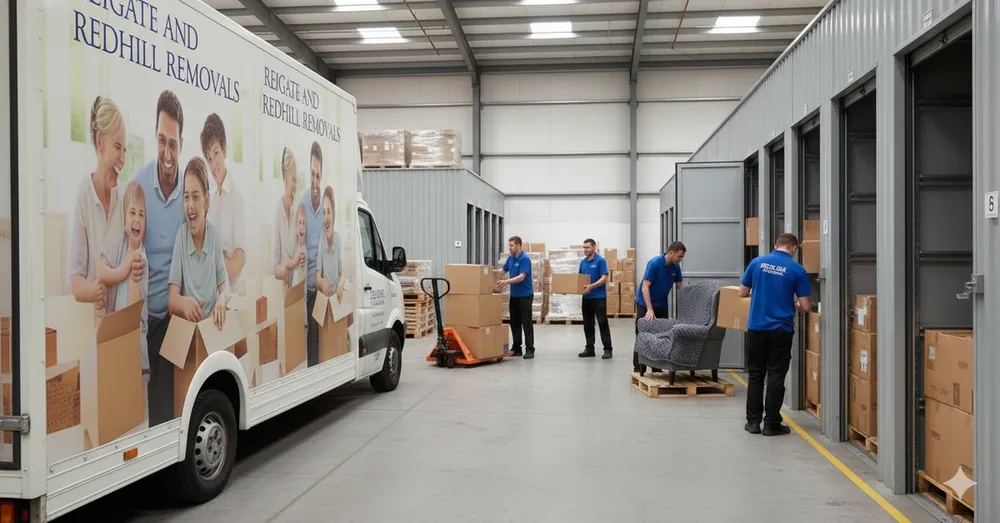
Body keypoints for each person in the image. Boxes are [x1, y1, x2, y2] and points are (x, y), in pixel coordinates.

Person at [131, 90, 186, 427]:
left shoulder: (189, 194)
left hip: (173, 317)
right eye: (162, 141)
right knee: (142, 409)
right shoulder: (138, 187)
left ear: (182, 143)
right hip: (142, 316)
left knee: (166, 407)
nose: (167, 153)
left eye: (174, 144)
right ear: (156, 137)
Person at [740, 233, 812, 437]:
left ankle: (753, 423)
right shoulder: (797, 269)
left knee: (755, 375)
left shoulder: (757, 262)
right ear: (794, 248)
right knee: (776, 376)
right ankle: (771, 424)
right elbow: (806, 306)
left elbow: (742, 292)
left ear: (775, 245)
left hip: (757, 328)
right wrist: (791, 305)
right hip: (781, 330)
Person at [69, 96, 127, 326]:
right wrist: (95, 291)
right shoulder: (85, 194)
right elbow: (76, 283)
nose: (122, 158)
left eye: (125, 150)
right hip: (97, 328)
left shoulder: (124, 198)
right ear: (100, 141)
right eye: (117, 147)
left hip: (124, 325)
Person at [167, 157, 229, 329]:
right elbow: (172, 301)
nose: (190, 205)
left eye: (195, 197)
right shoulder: (181, 237)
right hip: (189, 332)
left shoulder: (214, 235)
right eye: (186, 197)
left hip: (211, 329)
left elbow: (224, 284)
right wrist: (184, 303)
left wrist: (221, 300)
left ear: (207, 201)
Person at [97, 181, 149, 375]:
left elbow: (132, 315)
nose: (136, 219)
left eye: (141, 215)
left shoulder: (140, 259)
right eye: (132, 212)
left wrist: (130, 265)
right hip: (117, 342)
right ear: (124, 217)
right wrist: (123, 268)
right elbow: (101, 271)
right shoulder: (120, 246)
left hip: (133, 347)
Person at [201, 114, 246, 295]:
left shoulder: (236, 196)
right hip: (212, 295)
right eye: (209, 158)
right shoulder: (211, 201)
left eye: (216, 153)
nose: (213, 165)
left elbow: (238, 262)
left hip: (231, 297)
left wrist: (214, 261)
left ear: (225, 150)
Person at [633, 242, 686, 372]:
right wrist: (649, 309)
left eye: (682, 257)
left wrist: (693, 298)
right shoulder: (655, 263)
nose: (681, 259)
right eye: (679, 256)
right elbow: (645, 287)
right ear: (671, 253)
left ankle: (657, 368)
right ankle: (639, 367)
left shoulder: (675, 267)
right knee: (643, 335)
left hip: (662, 304)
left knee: (661, 336)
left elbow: (680, 286)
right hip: (645, 303)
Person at [302, 142, 325, 366]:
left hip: (323, 289)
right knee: (311, 343)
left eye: (318, 175)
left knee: (323, 341)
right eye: (312, 174)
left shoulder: (326, 206)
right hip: (306, 289)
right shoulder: (302, 204)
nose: (315, 180)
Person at [495, 236, 535, 359]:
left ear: (519, 245)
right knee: (515, 322)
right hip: (515, 295)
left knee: (526, 322)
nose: (510, 248)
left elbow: (522, 277)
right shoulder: (511, 258)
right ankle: (517, 348)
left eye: (512, 245)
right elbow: (503, 270)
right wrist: (492, 277)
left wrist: (505, 282)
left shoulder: (525, 259)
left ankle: (530, 349)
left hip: (525, 296)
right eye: (509, 245)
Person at [272, 148, 304, 287]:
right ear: (285, 177)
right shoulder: (277, 213)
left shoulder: (298, 210)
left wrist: (299, 259)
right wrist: (283, 270)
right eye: (293, 180)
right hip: (282, 290)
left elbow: (300, 249)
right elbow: (274, 264)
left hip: (297, 286)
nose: (295, 185)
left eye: (296, 181)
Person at [578, 239, 612, 359]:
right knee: (588, 324)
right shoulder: (582, 262)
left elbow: (604, 278)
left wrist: (591, 286)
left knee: (602, 323)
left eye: (587, 247)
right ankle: (589, 349)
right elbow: (579, 279)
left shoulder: (600, 261)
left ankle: (608, 349)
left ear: (594, 247)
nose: (585, 250)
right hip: (586, 298)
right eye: (584, 247)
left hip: (598, 298)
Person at [316, 186, 344, 303]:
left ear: (333, 213)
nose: (326, 217)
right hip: (325, 301)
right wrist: (322, 282)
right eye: (324, 212)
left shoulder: (337, 239)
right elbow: (317, 277)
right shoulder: (321, 238)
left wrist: (340, 285)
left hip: (337, 301)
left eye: (328, 212)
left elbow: (341, 272)